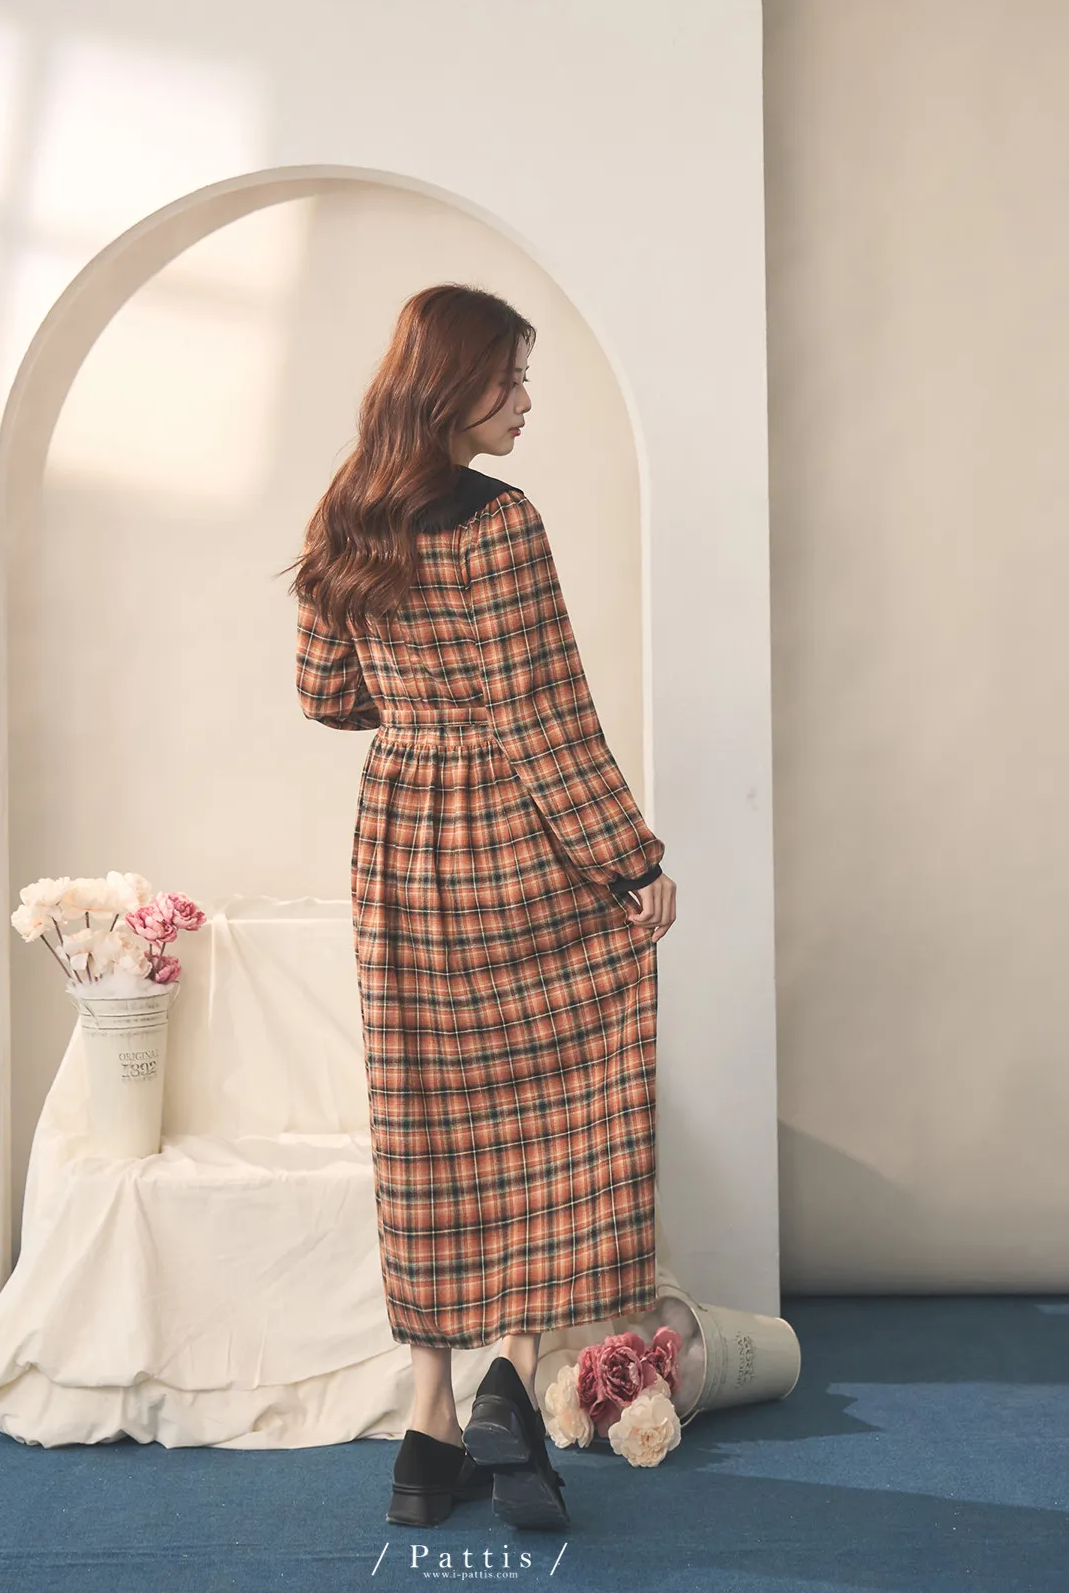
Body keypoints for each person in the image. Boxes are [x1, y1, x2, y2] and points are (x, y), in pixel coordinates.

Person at [288, 284, 676, 1530]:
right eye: (509, 379)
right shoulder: (503, 525)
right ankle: (512, 1375)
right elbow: (546, 721)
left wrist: (416, 709)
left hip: (400, 847)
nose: (524, 402)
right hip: (512, 839)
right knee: (546, 1098)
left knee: (428, 1119)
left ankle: (428, 1429)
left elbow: (324, 693)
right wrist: (631, 863)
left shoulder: (346, 512)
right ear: (452, 386)